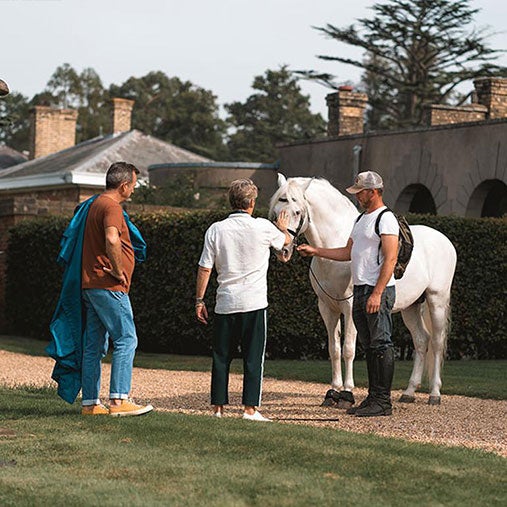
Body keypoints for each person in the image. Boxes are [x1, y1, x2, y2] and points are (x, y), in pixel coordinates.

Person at [297, 171, 399, 417]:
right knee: (370, 345)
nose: (357, 197)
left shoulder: (385, 219)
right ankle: (373, 398)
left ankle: (383, 402)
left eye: (360, 193)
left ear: (373, 192)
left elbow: (391, 258)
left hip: (377, 291)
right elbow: (347, 253)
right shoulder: (361, 219)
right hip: (361, 289)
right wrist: (316, 251)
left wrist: (377, 293)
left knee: (381, 344)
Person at [195, 179, 291, 421]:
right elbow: (286, 247)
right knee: (253, 357)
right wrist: (283, 228)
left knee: (220, 357)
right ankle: (250, 409)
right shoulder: (263, 227)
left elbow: (205, 268)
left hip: (225, 302)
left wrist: (199, 300)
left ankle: (217, 408)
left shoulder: (215, 229)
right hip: (254, 303)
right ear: (251, 202)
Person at [79, 162, 153, 416]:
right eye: (133, 185)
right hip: (109, 285)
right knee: (126, 339)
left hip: (91, 284)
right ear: (124, 185)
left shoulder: (95, 204)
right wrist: (118, 270)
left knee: (94, 346)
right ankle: (119, 402)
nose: (133, 190)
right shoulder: (111, 207)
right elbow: (112, 238)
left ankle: (90, 404)